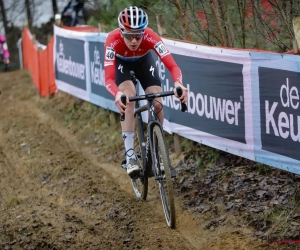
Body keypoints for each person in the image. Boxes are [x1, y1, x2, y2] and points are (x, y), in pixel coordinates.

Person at [104, 6, 188, 176]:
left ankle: (158, 150)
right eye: (129, 35)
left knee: (157, 101)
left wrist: (178, 83)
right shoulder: (112, 40)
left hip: (144, 61)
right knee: (129, 98)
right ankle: (130, 156)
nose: (134, 40)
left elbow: (172, 66)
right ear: (121, 32)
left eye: (138, 35)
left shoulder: (151, 37)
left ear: (144, 32)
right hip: (122, 64)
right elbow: (108, 78)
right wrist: (118, 94)